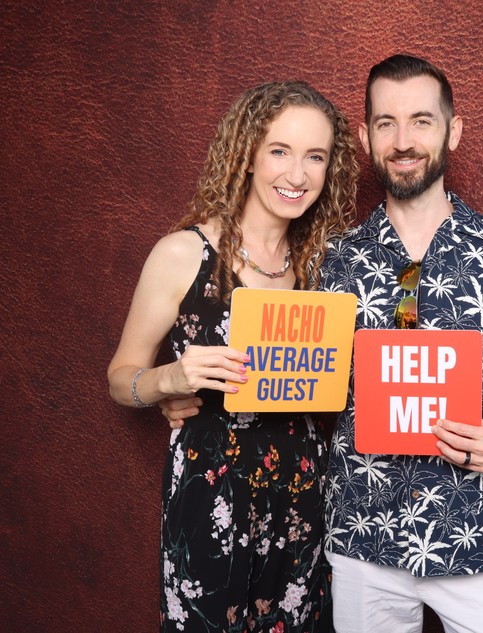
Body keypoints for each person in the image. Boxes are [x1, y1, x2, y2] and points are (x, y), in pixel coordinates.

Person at [318, 55, 483, 632]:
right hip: (364, 536)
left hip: (479, 533)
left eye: (422, 121)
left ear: (452, 130)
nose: (404, 141)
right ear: (365, 137)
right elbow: (299, 373)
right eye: (386, 123)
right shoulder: (333, 261)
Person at [107, 81, 358, 633]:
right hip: (211, 502)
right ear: (246, 154)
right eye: (279, 151)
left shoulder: (326, 269)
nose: (296, 175)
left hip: (303, 503)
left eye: (315, 157)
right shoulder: (182, 254)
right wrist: (167, 379)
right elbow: (120, 378)